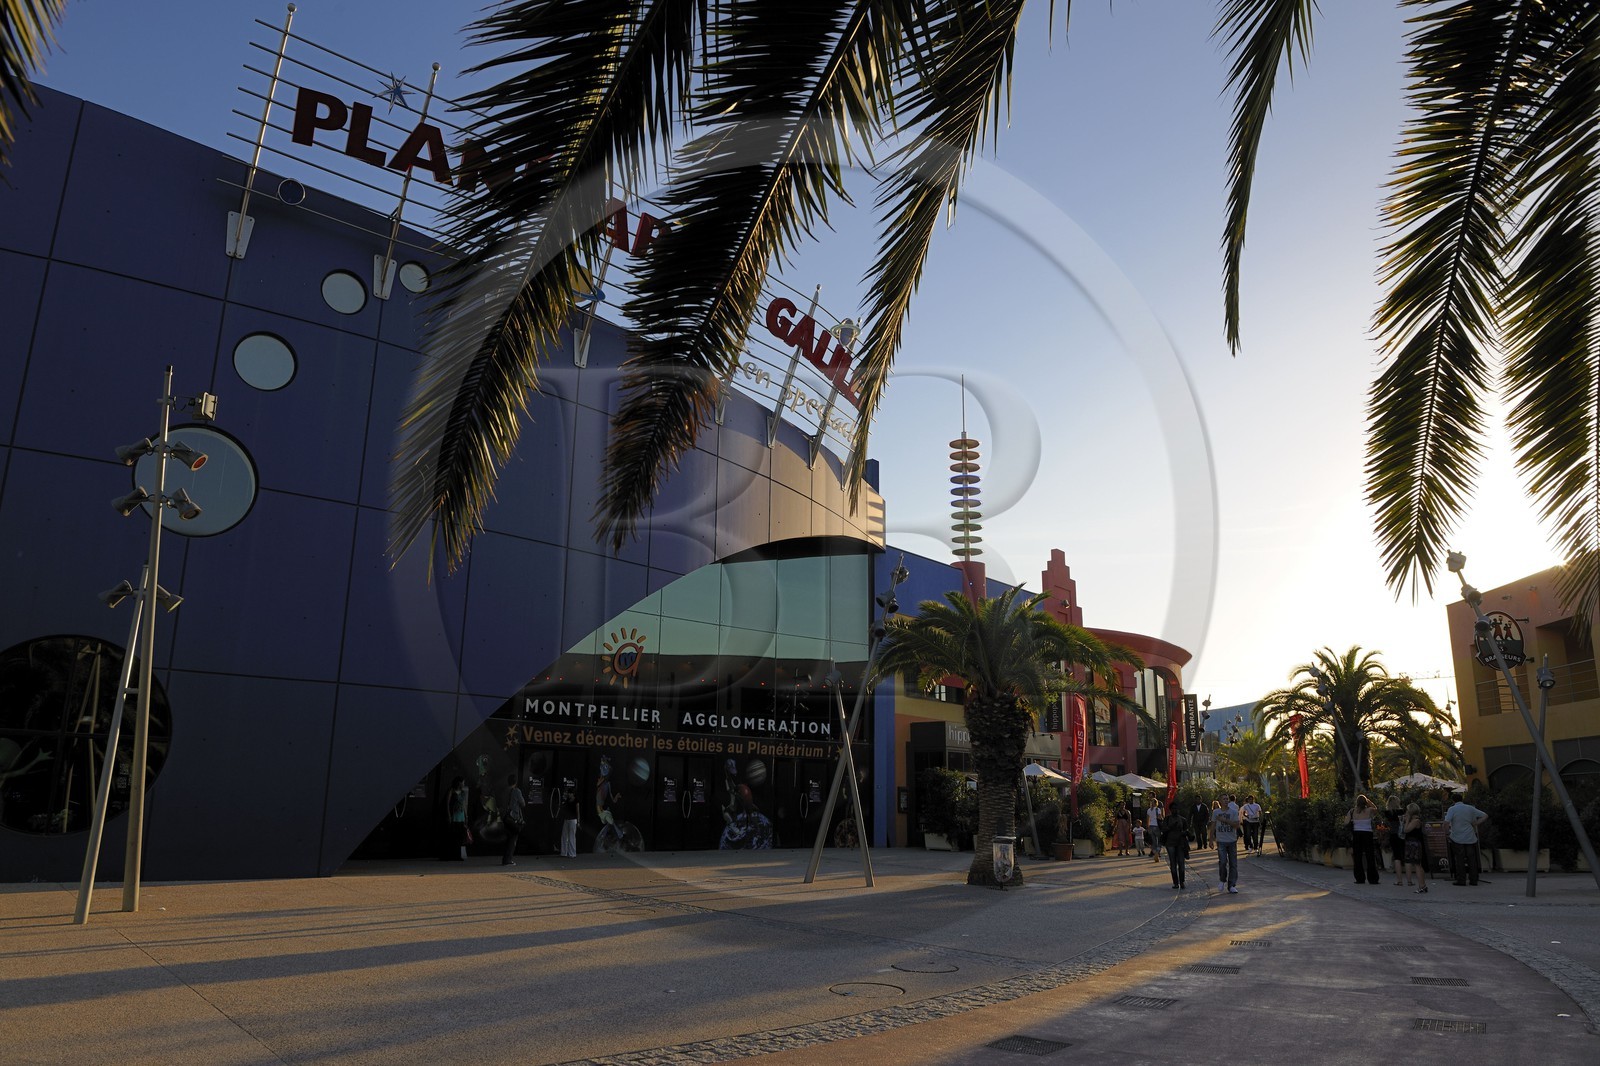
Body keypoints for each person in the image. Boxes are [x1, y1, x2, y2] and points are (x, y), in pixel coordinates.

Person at [1443, 795, 1488, 885]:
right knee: (1472, 860)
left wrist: (1447, 833)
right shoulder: (1470, 808)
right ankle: (1474, 880)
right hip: (1470, 837)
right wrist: (1475, 823)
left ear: (1453, 800)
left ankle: (1461, 880)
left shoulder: (1452, 809)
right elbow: (1485, 815)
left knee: (1459, 860)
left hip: (1457, 837)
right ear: (1462, 799)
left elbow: (1446, 822)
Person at [1346, 794, 1381, 884]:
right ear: (1365, 802)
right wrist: (1369, 802)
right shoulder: (1369, 810)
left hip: (1357, 834)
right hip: (1367, 834)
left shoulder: (1352, 811)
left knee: (1357, 856)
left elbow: (1346, 822)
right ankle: (1373, 878)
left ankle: (1359, 878)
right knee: (1370, 856)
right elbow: (1376, 809)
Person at [1212, 794, 1241, 893]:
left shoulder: (1233, 812)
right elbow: (1213, 826)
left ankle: (1232, 884)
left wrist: (1225, 820)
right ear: (1219, 801)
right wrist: (1210, 839)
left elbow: (1237, 825)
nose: (1226, 800)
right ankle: (1222, 880)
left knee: (1233, 864)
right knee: (1223, 862)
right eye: (1223, 799)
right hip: (1221, 841)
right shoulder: (1216, 812)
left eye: (1227, 799)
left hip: (1232, 841)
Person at [1159, 805, 1192, 889]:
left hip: (1180, 843)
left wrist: (1185, 833)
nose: (1175, 810)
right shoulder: (1167, 819)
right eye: (1173, 809)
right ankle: (1175, 882)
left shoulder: (1183, 819)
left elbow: (1186, 830)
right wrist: (1170, 827)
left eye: (1176, 809)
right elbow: (1163, 829)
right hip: (1170, 843)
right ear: (1170, 810)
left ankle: (1182, 881)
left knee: (1181, 863)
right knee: (1173, 863)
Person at [1403, 801, 1429, 893]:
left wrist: (1406, 821)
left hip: (1414, 844)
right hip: (1412, 843)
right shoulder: (1415, 820)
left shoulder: (1416, 821)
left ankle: (1422, 885)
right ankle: (1423, 885)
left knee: (1417, 865)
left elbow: (1406, 830)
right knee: (1417, 865)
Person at [500, 773, 525, 866]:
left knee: (508, 839)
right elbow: (523, 804)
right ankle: (508, 860)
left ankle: (505, 859)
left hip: (505, 817)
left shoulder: (504, 791)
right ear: (516, 782)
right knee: (512, 839)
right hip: (513, 817)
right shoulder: (517, 791)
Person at [444, 775, 469, 861]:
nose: (463, 784)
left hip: (461, 816)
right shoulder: (451, 790)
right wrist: (448, 815)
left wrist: (466, 816)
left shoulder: (463, 792)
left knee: (459, 836)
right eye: (462, 782)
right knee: (452, 836)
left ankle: (458, 855)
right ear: (459, 783)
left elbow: (464, 805)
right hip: (454, 815)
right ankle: (450, 855)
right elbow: (447, 803)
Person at [1385, 794, 1408, 883]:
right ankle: (1409, 878)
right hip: (1402, 834)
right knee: (1405, 855)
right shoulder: (1402, 811)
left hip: (1393, 834)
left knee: (1397, 857)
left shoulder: (1387, 813)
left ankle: (1399, 880)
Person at [557, 776, 579, 858]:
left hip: (573, 820)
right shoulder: (567, 800)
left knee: (572, 837)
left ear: (573, 794)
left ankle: (572, 854)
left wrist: (579, 822)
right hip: (567, 819)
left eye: (570, 793)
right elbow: (564, 807)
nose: (569, 794)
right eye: (569, 793)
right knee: (564, 836)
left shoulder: (576, 801)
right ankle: (564, 853)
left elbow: (578, 812)